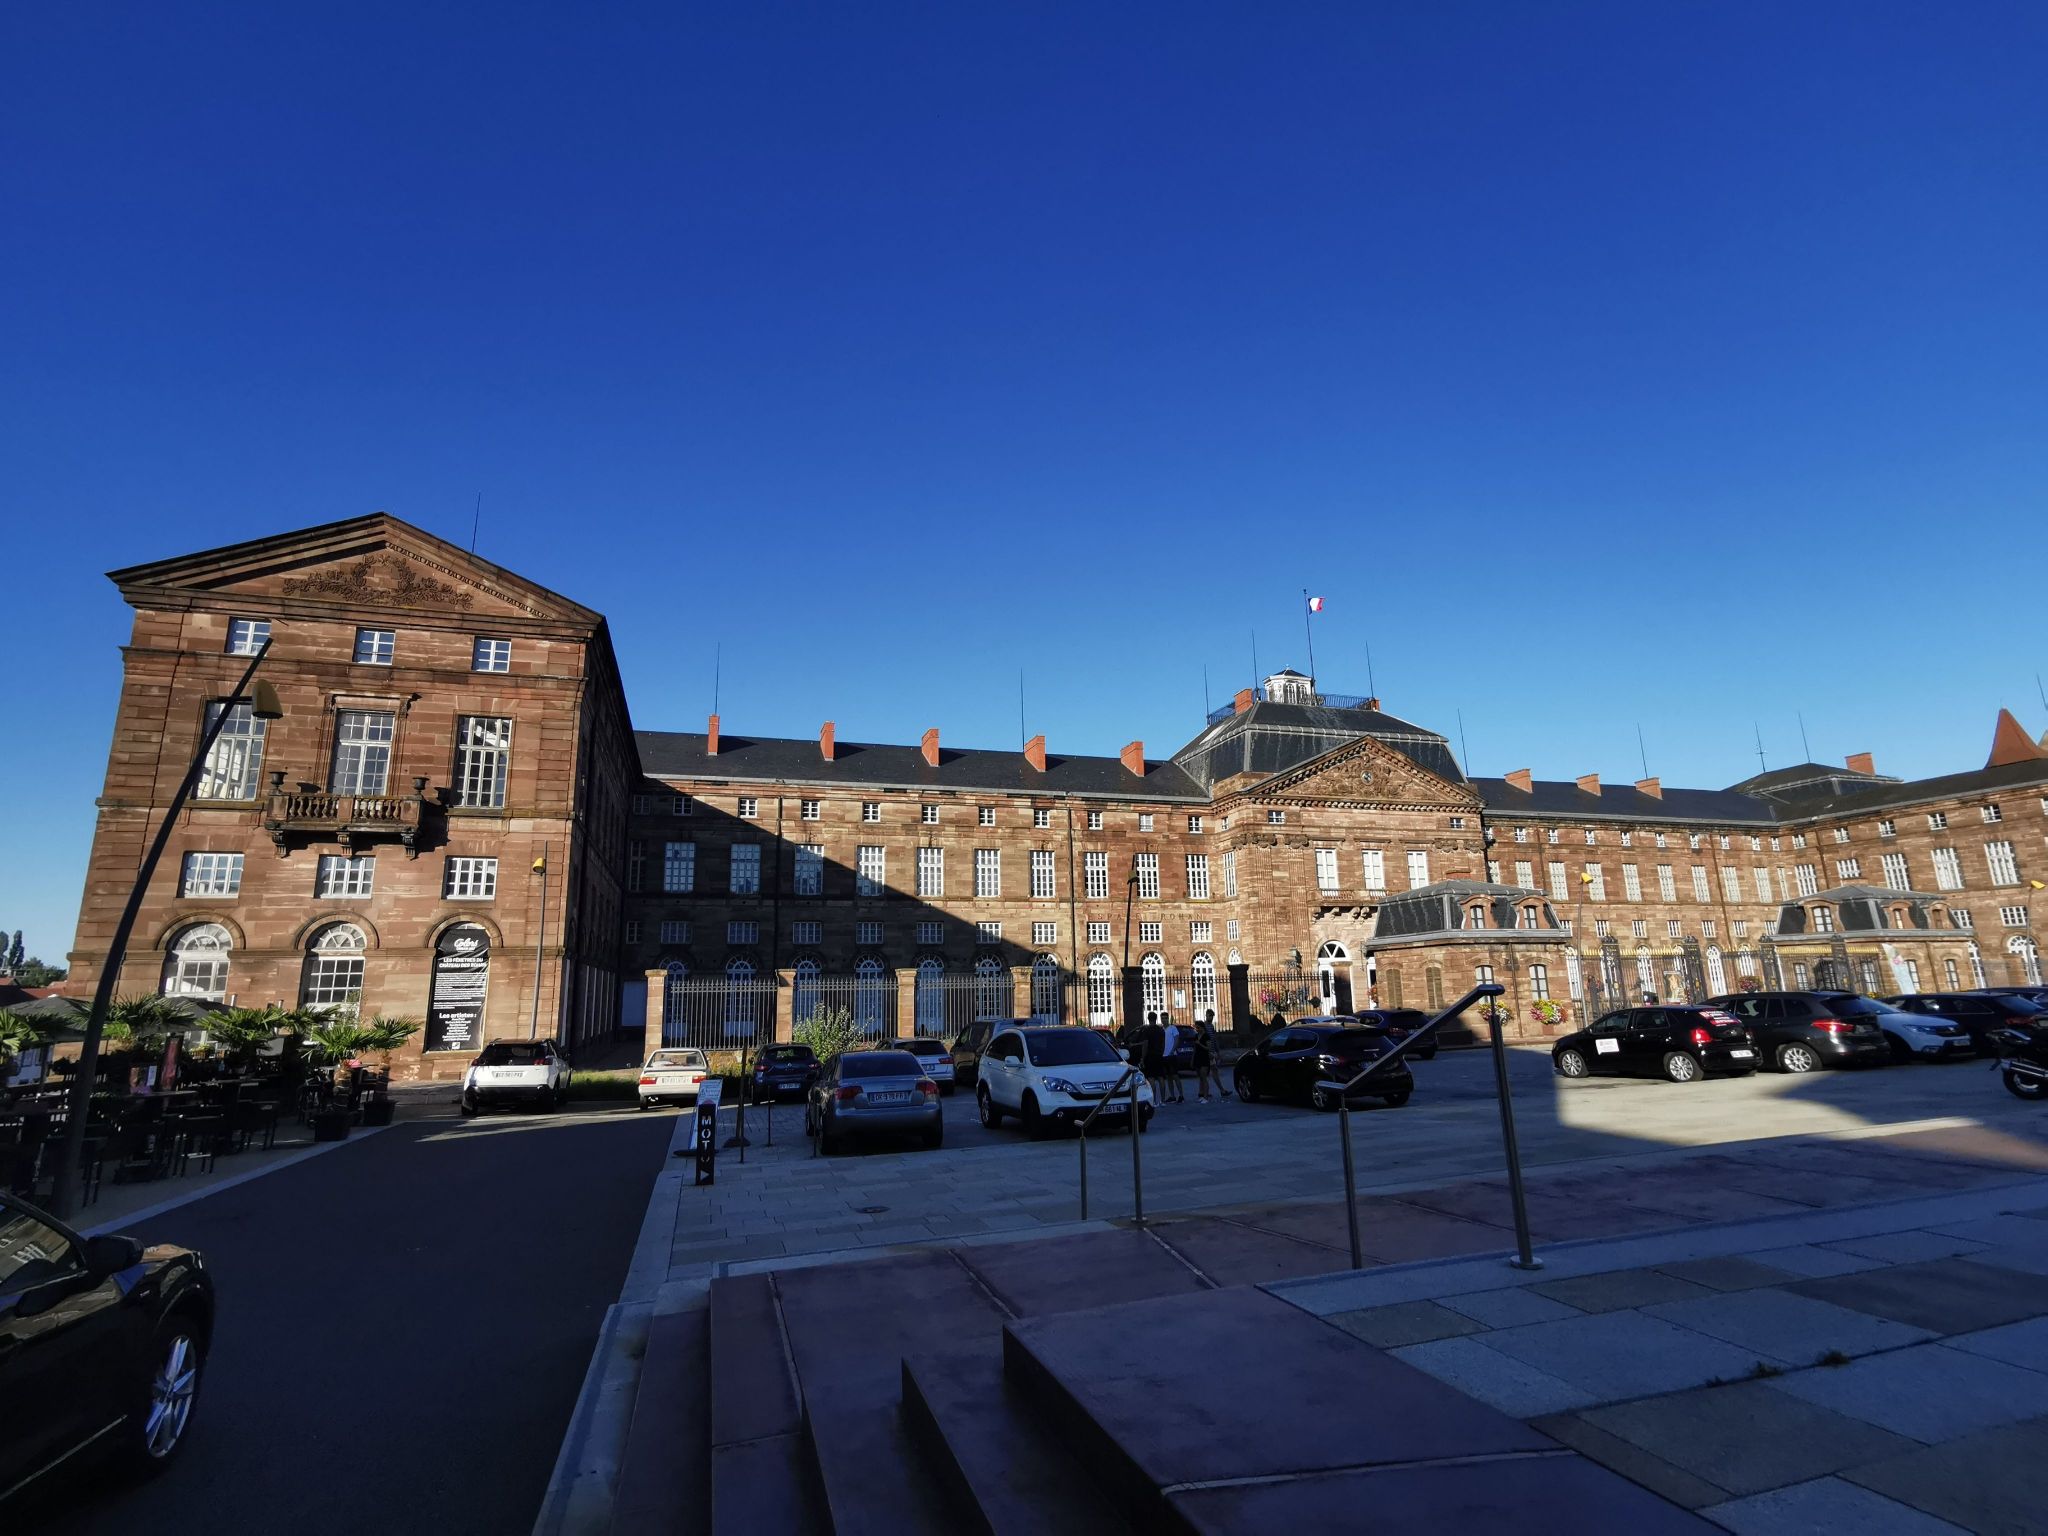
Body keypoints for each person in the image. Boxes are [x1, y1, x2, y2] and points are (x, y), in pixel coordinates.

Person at [1194, 1009, 1227, 1101]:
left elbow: (1214, 1039)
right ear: (1206, 1015)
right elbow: (1205, 1040)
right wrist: (1210, 1053)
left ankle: (1203, 1092)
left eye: (1212, 1016)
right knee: (1208, 1073)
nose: (1211, 1018)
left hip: (1211, 1051)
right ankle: (1219, 1091)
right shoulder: (1204, 1026)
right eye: (1209, 1016)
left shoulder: (1211, 1026)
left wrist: (1217, 1051)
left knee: (1206, 1073)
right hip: (1207, 1053)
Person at [1140, 1011, 1168, 1104]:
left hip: (1150, 1056)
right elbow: (1163, 1044)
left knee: (1151, 1078)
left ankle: (1154, 1101)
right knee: (1161, 1078)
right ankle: (1163, 1101)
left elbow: (1145, 1045)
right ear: (1156, 1019)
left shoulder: (1146, 1030)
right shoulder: (1161, 1030)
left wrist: (1143, 1058)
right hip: (1159, 1055)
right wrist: (1161, 1053)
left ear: (1148, 1019)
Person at [1160, 1016, 1185, 1103]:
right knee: (1168, 1077)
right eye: (1162, 1018)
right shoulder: (1161, 1030)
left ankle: (1181, 1095)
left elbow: (1176, 1040)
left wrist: (1172, 1050)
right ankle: (1172, 1096)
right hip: (1163, 1056)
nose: (1164, 1020)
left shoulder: (1173, 1028)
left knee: (1175, 1076)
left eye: (1165, 1018)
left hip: (1171, 1055)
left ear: (1168, 1019)